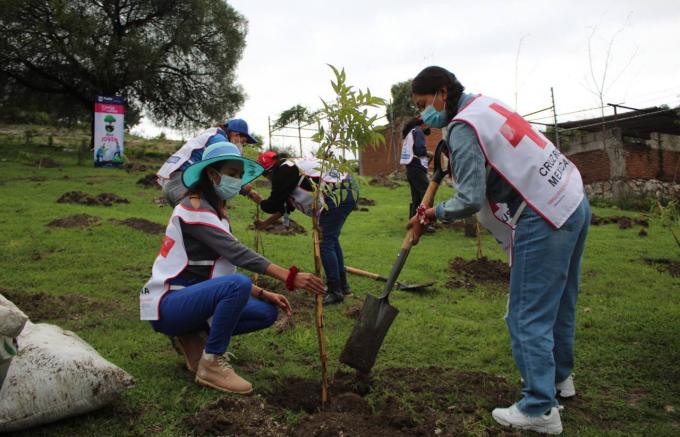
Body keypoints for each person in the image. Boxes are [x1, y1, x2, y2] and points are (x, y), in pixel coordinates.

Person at [408, 66, 590, 435]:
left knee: (525, 314)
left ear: (442, 92)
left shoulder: (462, 127)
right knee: (560, 301)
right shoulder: (484, 105)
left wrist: (434, 213)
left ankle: (540, 408)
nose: (424, 114)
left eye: (425, 104)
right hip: (571, 195)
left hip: (543, 213)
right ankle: (559, 379)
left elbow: (470, 198)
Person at [140, 141, 325, 394]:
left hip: (192, 293)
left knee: (266, 312)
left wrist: (262, 293)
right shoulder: (193, 207)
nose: (237, 181)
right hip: (165, 302)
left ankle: (192, 336)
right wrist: (289, 277)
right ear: (212, 174)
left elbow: (215, 270)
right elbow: (236, 254)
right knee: (237, 285)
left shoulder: (214, 210)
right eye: (232, 174)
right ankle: (212, 362)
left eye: (240, 175)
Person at [254, 151, 357, 306]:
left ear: (270, 171)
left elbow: (273, 204)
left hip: (339, 191)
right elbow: (284, 208)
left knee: (325, 242)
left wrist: (256, 198)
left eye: (266, 176)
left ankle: (335, 291)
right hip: (345, 188)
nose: (268, 180)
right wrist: (264, 224)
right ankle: (342, 287)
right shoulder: (290, 171)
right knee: (330, 240)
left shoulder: (284, 170)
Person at [156, 118, 262, 206]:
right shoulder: (219, 140)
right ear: (235, 135)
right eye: (242, 142)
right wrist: (247, 190)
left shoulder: (213, 135)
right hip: (181, 183)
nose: (242, 145)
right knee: (198, 220)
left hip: (172, 181)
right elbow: (229, 169)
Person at [399, 117, 434, 227]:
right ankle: (425, 224)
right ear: (423, 124)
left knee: (417, 197)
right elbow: (419, 150)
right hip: (416, 168)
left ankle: (413, 223)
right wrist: (428, 153)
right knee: (427, 196)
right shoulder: (418, 132)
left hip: (411, 168)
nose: (430, 127)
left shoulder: (411, 132)